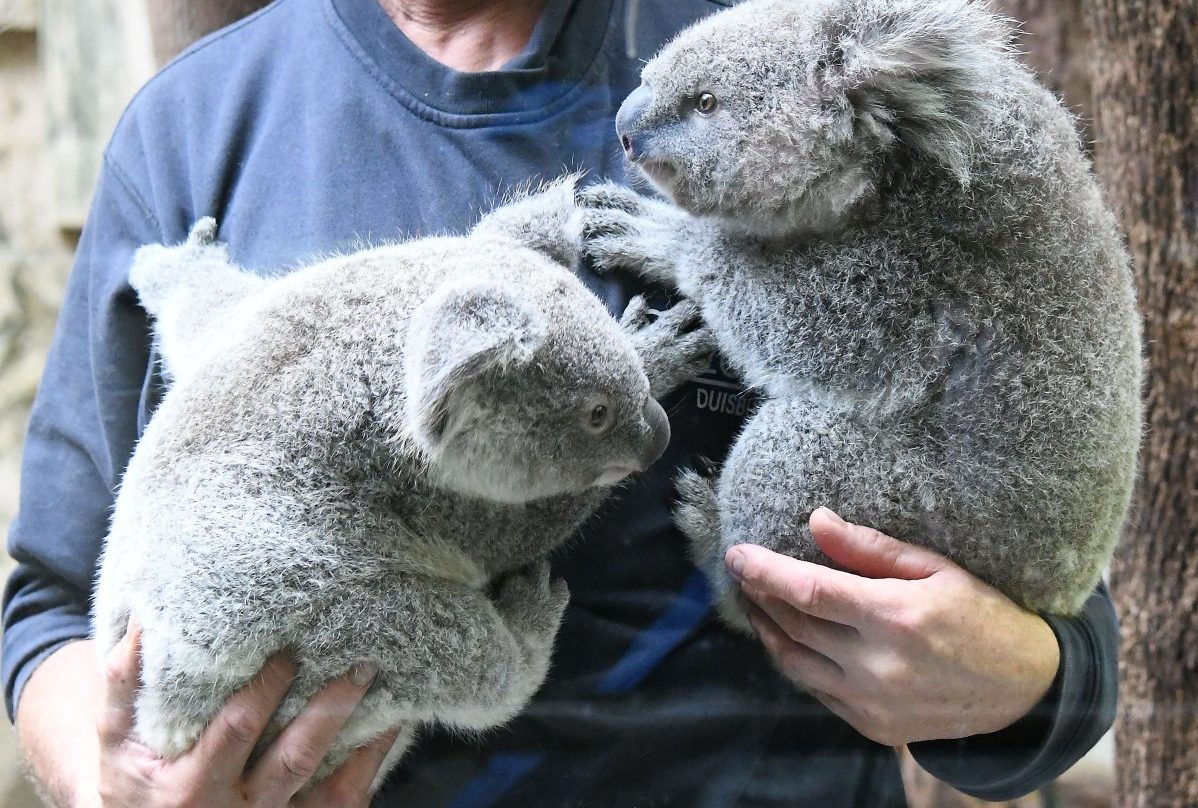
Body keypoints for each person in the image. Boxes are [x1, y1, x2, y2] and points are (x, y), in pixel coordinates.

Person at [3, 0, 1117, 805]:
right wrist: (123, 784)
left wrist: (1019, 685)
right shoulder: (195, 127)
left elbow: (1040, 566)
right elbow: (48, 603)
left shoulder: (784, 72)